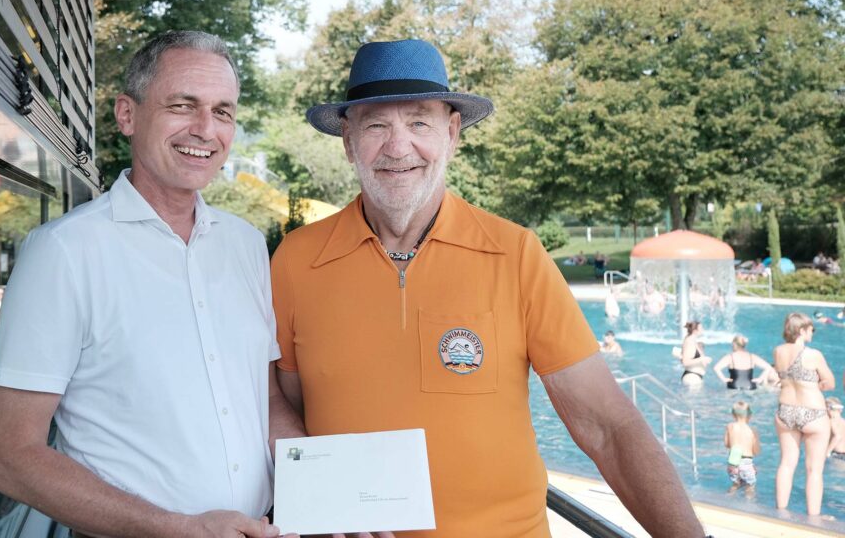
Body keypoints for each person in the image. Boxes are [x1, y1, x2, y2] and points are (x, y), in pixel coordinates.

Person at [271, 39, 705, 537]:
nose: (398, 147)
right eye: (376, 126)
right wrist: (323, 504)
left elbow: (607, 426)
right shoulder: (296, 261)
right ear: (348, 141)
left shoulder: (516, 255)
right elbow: (286, 407)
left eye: (419, 123)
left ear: (452, 133)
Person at [0, 32, 302, 538]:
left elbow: (263, 399)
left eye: (223, 111)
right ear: (127, 114)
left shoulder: (245, 245)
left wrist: (326, 493)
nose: (205, 129)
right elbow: (11, 458)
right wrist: (178, 529)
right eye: (183, 105)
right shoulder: (64, 252)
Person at [772, 312, 835, 516]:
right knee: (814, 470)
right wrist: (815, 385)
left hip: (786, 411)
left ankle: (780, 512)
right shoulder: (813, 354)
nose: (812, 333)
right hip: (813, 412)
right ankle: (813, 518)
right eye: (811, 329)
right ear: (801, 330)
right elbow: (830, 383)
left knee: (786, 464)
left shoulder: (778, 351)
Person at [712, 335, 777, 390]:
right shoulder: (752, 356)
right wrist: (760, 379)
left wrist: (724, 379)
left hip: (734, 385)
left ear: (734, 344)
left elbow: (716, 368)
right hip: (750, 386)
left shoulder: (730, 357)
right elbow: (768, 367)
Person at [724, 401, 760, 493]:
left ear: (733, 415)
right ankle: (749, 501)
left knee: (735, 484)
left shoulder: (730, 427)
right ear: (749, 416)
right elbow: (756, 451)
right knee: (750, 487)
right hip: (746, 463)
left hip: (733, 462)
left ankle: (728, 497)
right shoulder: (752, 430)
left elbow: (726, 444)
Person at [680, 321, 711, 386]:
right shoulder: (689, 341)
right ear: (695, 331)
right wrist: (702, 359)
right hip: (692, 378)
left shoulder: (692, 340)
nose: (703, 330)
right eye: (701, 328)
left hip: (694, 376)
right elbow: (685, 362)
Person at [826, 397, 845, 461]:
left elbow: (837, 436)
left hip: (837, 455)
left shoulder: (831, 421)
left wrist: (827, 452)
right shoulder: (843, 421)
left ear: (828, 409)